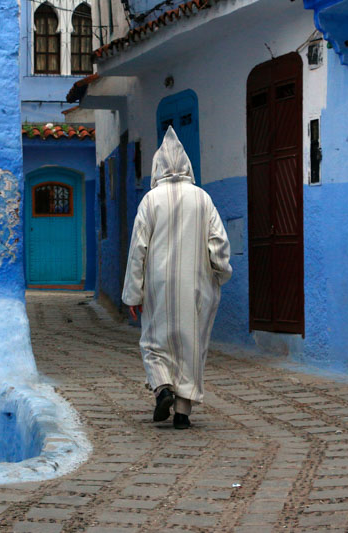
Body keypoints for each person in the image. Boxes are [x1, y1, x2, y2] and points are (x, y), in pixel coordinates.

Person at [122, 126, 233, 429]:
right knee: (191, 345)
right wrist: (220, 272)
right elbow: (218, 242)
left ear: (157, 166)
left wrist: (133, 294)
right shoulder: (203, 199)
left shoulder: (150, 201)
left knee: (153, 343)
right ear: (186, 165)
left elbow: (138, 249)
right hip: (197, 285)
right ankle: (183, 412)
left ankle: (162, 389)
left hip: (158, 287)